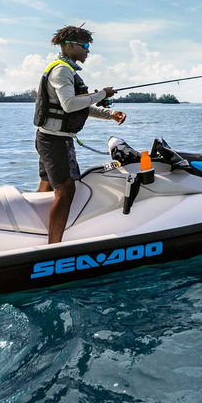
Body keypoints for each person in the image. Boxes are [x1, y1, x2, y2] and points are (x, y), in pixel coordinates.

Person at [34, 25, 126, 243]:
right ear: (69, 45)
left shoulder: (68, 70)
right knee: (66, 191)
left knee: (47, 187)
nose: (87, 51)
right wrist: (102, 93)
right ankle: (53, 245)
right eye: (84, 46)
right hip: (54, 141)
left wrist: (110, 114)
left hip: (50, 139)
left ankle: (35, 232)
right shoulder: (62, 70)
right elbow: (69, 104)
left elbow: (81, 107)